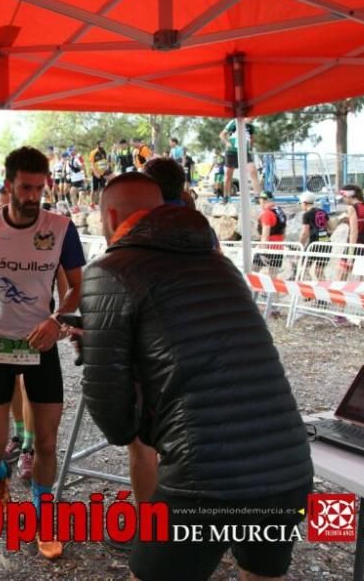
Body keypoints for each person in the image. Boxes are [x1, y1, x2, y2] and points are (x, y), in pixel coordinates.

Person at [81, 172, 312, 581]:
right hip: (288, 464)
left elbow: (108, 404)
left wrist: (138, 427)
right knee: (261, 574)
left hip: (204, 474)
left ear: (110, 215)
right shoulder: (220, 265)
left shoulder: (111, 269)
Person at [0, 146, 85, 560]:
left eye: (39, 188)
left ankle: (44, 514)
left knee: (46, 442)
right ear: (8, 185)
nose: (33, 196)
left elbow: (78, 286)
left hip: (40, 343)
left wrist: (58, 319)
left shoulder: (60, 227)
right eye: (25, 188)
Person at [220, 118, 261, 202]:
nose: (253, 119)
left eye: (254, 118)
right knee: (228, 175)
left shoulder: (251, 127)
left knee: (253, 171)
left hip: (245, 152)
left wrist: (251, 147)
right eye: (252, 118)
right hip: (232, 152)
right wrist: (227, 143)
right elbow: (222, 135)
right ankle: (226, 197)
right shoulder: (234, 122)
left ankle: (257, 196)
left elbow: (252, 139)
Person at [298, 191, 332, 280]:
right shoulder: (323, 212)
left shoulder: (307, 215)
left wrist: (300, 245)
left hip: (314, 244)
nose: (300, 205)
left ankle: (308, 290)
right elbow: (330, 227)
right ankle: (325, 291)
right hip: (326, 244)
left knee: (304, 267)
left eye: (300, 203)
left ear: (305, 203)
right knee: (319, 271)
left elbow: (304, 233)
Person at [255, 190, 287, 275]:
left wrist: (262, 252)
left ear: (264, 200)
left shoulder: (267, 214)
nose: (259, 203)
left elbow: (265, 234)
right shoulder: (280, 211)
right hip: (279, 247)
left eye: (260, 201)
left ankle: (252, 288)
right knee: (273, 277)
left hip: (268, 247)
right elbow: (284, 230)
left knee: (252, 272)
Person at [89, 140, 111, 205]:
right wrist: (96, 173)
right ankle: (91, 202)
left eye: (103, 144)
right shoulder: (93, 152)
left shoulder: (104, 152)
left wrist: (107, 171)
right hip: (95, 173)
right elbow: (92, 164)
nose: (103, 145)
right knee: (94, 189)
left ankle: (101, 202)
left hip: (103, 173)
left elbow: (105, 162)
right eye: (101, 144)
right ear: (97, 145)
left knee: (103, 188)